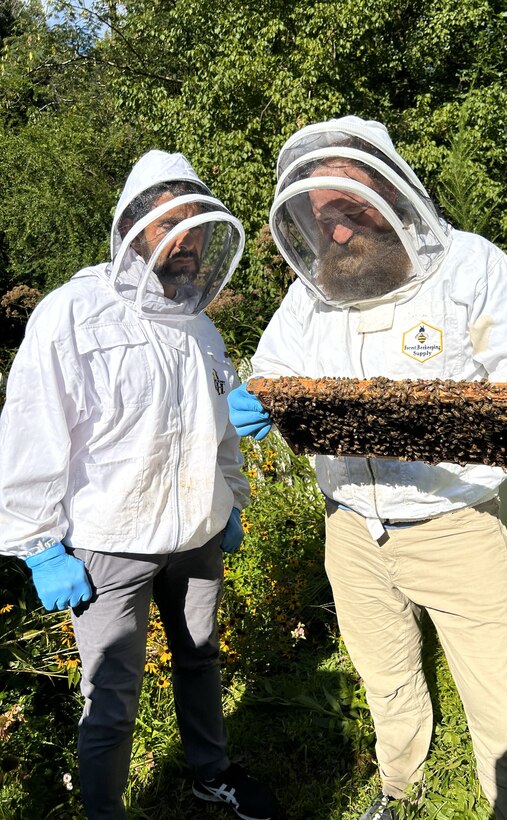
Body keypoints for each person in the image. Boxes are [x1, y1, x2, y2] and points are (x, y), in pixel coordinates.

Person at [227, 116, 507, 820]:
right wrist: (257, 392)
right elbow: (275, 364)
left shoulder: (470, 266)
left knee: (499, 696)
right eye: (320, 216)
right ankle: (399, 788)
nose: (336, 232)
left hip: (452, 523)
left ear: (396, 195)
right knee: (385, 678)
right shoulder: (312, 292)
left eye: (352, 208)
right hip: (351, 529)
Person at [0, 150, 281, 820]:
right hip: (109, 542)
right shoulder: (73, 313)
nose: (185, 241)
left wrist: (230, 499)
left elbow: (219, 429)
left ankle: (211, 776)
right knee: (112, 693)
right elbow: (34, 427)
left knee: (199, 660)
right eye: (167, 225)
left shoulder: (201, 327)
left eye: (195, 227)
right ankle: (104, 811)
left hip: (197, 533)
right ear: (132, 228)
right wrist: (38, 544)